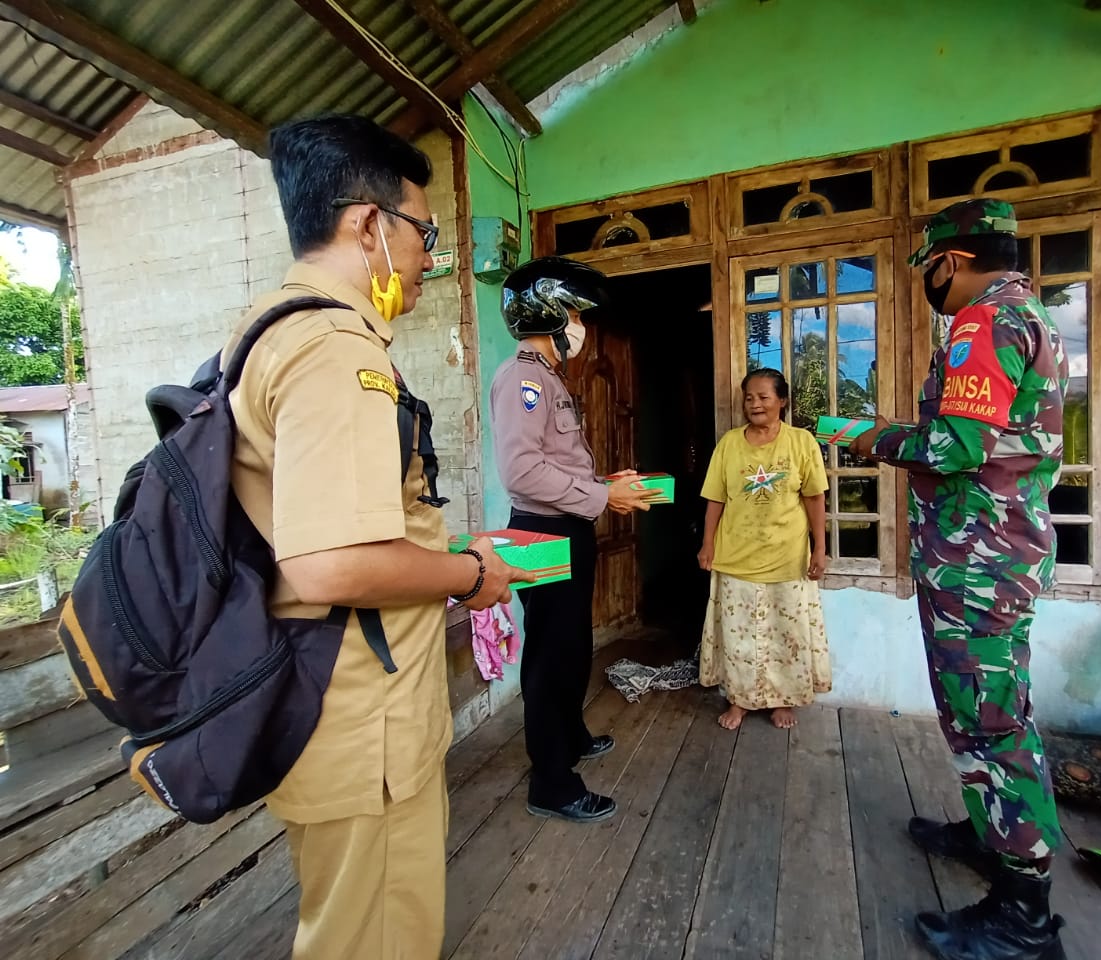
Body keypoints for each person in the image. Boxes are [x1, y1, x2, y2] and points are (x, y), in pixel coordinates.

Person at [225, 114, 529, 960]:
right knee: (374, 936)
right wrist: (469, 574)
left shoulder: (271, 326)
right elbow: (330, 562)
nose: (429, 257)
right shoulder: (332, 350)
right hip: (363, 718)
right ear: (368, 225)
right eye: (422, 233)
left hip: (336, 697)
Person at [850, 198, 1068, 960]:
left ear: (952, 260)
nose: (929, 283)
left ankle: (1024, 916)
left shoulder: (983, 321)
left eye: (929, 269)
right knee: (989, 712)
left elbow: (956, 446)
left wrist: (866, 436)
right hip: (997, 553)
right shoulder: (1030, 316)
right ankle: (993, 836)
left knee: (993, 724)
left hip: (979, 562)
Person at [491, 256, 657, 824]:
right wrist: (600, 499)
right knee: (549, 655)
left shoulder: (549, 378)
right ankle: (552, 783)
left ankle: (570, 735)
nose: (578, 326)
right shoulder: (523, 380)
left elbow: (554, 465)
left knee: (572, 644)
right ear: (549, 314)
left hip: (566, 527)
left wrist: (603, 485)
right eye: (572, 312)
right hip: (542, 532)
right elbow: (522, 473)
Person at [697, 368, 831, 731]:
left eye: (763, 397)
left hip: (787, 558)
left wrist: (820, 549)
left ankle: (783, 700)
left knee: (784, 635)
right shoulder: (729, 444)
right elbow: (714, 498)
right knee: (738, 636)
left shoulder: (801, 442)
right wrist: (707, 544)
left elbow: (815, 497)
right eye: (749, 397)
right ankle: (739, 700)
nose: (754, 404)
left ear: (782, 401)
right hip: (736, 556)